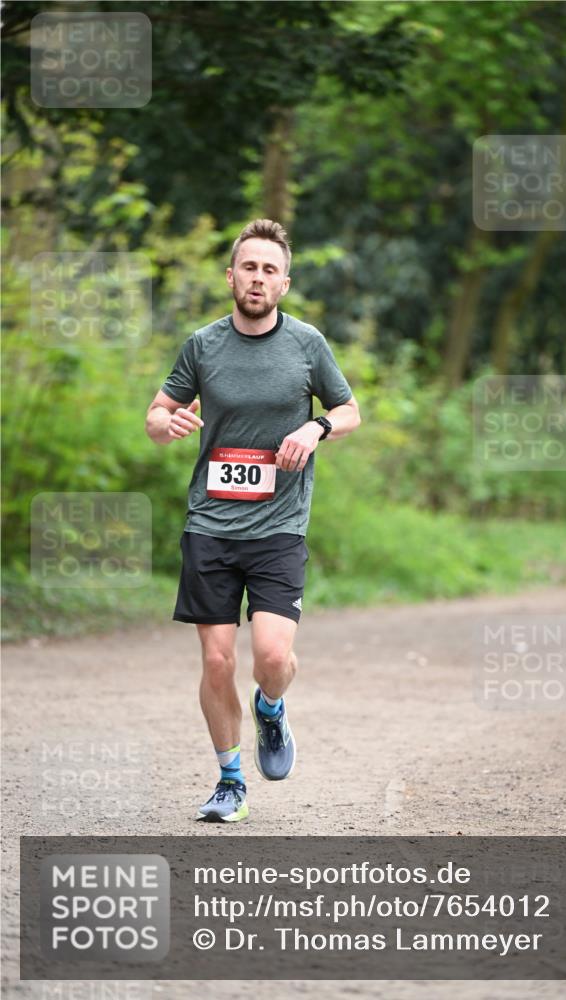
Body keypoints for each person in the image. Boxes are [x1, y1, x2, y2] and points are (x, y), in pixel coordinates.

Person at [145, 219, 361, 821]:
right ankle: (230, 781)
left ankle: (271, 707)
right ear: (231, 276)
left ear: (284, 283)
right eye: (249, 267)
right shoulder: (203, 345)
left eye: (269, 269)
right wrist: (168, 424)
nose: (258, 278)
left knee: (270, 658)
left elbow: (349, 410)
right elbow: (157, 416)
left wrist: (315, 427)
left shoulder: (307, 345)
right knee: (217, 661)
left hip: (279, 526)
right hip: (210, 525)